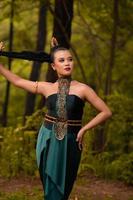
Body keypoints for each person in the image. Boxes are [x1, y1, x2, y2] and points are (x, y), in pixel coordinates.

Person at [0, 38, 112, 200]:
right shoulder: (47, 87)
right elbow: (17, 81)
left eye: (70, 59)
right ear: (53, 66)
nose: (67, 63)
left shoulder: (83, 89)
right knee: (50, 185)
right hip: (47, 137)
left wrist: (84, 129)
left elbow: (105, 112)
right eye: (61, 60)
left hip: (70, 140)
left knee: (63, 186)